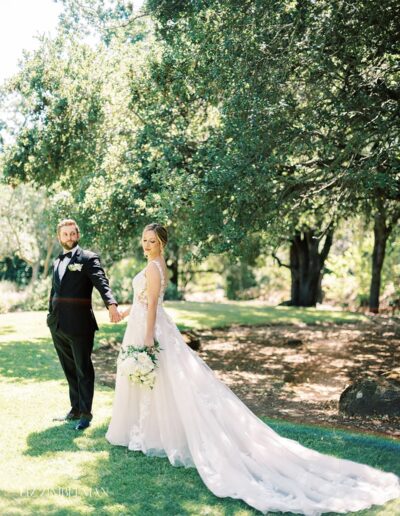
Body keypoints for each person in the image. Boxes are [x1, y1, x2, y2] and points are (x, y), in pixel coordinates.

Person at [106, 223, 400, 515]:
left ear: (161, 244)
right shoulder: (153, 266)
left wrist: (147, 336)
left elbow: (154, 305)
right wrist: (124, 312)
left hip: (151, 329)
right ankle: (148, 433)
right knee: (160, 383)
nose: (146, 245)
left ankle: (156, 435)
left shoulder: (155, 269)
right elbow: (142, 302)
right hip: (142, 323)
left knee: (167, 382)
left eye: (152, 241)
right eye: (144, 240)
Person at [48, 218, 121, 431]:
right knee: (69, 368)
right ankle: (75, 409)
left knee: (83, 369)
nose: (69, 237)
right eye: (65, 234)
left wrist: (111, 304)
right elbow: (55, 291)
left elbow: (101, 282)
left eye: (73, 233)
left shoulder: (88, 258)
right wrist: (50, 317)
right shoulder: (57, 261)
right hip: (57, 325)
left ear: (77, 235)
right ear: (59, 237)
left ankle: (86, 415)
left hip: (80, 326)